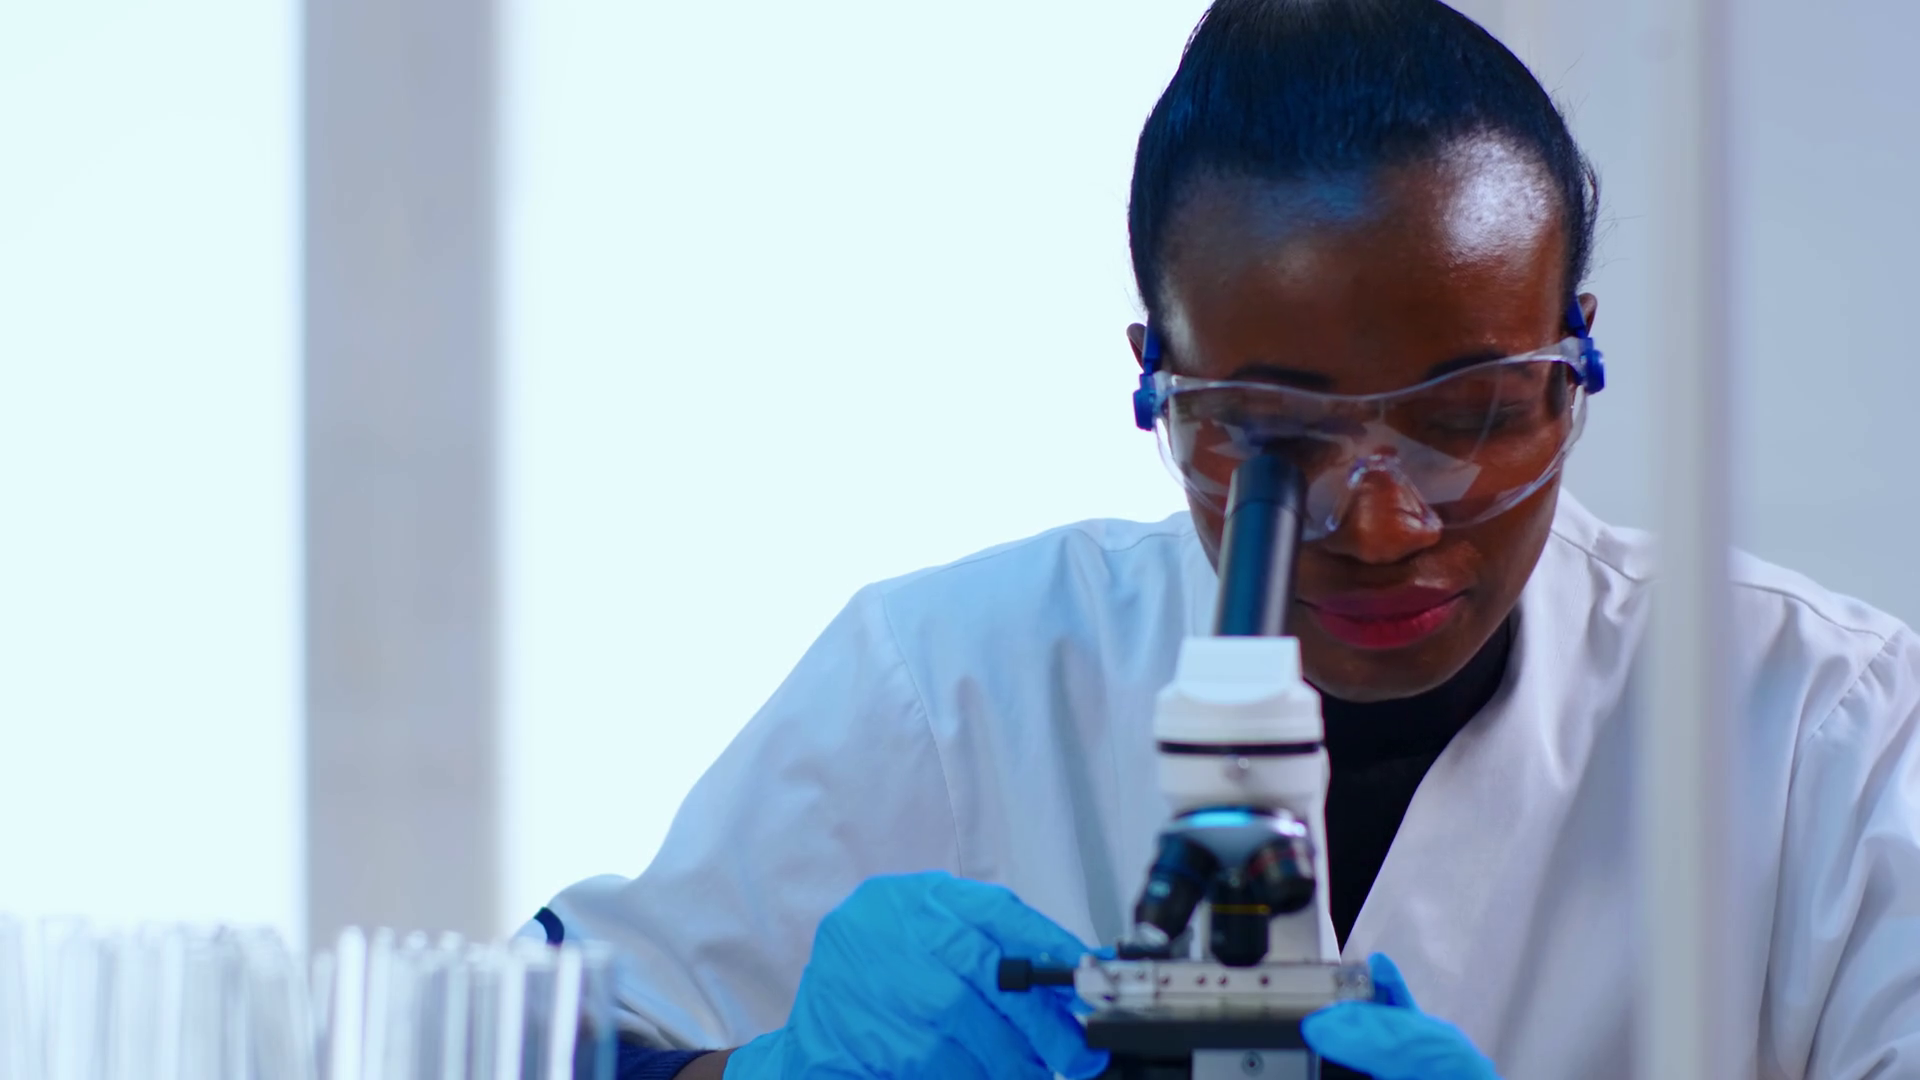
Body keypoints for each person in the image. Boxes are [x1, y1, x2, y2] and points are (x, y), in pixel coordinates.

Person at [523, 1, 1920, 1077]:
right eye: (1271, 432)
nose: (1383, 522)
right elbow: (507, 1038)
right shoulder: (949, 683)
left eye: (1477, 413)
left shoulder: (1823, 730)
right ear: (1158, 383)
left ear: (1574, 365)